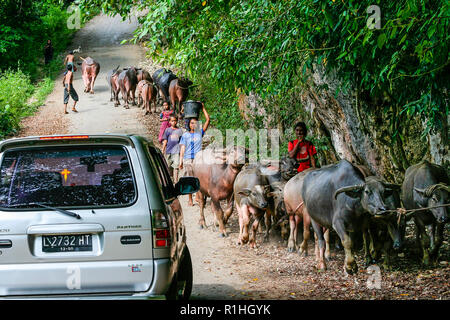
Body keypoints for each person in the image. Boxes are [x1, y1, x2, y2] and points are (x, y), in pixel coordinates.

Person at [179, 103, 210, 206]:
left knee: (198, 178)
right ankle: (190, 199)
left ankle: (197, 196)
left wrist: (203, 108)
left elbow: (208, 120)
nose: (193, 125)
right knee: (189, 179)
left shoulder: (199, 133)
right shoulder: (185, 135)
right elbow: (182, 148)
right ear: (188, 124)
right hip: (188, 159)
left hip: (198, 159)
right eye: (192, 123)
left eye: (195, 123)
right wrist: (181, 161)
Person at [162, 115, 183, 183]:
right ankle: (170, 179)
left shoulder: (179, 131)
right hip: (168, 151)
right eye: (172, 121)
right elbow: (165, 140)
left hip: (176, 151)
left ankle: (176, 181)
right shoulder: (167, 130)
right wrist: (163, 149)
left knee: (176, 166)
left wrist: (182, 151)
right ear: (169, 122)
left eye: (175, 121)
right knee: (168, 166)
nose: (174, 122)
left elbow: (181, 141)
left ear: (177, 121)